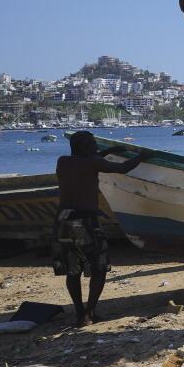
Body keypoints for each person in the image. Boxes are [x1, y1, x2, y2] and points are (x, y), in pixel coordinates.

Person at [54, 131, 147, 327]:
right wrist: (142, 157)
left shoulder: (62, 161)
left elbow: (88, 162)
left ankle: (79, 312)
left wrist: (110, 150)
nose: (95, 146)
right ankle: (90, 313)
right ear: (83, 146)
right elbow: (122, 169)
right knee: (99, 267)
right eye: (92, 143)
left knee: (73, 270)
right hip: (85, 222)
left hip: (62, 222)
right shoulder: (93, 163)